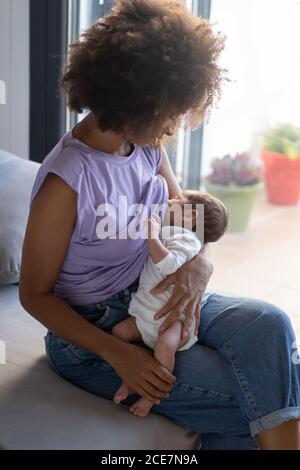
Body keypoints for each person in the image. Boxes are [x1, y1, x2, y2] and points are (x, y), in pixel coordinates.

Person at [19, 0, 300, 449]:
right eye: (170, 115)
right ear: (139, 104)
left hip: (157, 290)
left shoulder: (145, 147)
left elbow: (185, 217)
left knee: (269, 324)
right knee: (260, 400)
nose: (174, 128)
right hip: (96, 332)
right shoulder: (66, 182)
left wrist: (200, 265)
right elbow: (34, 295)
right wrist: (120, 354)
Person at [113, 191, 228, 418]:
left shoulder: (186, 239)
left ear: (191, 216)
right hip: (147, 314)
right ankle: (129, 380)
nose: (168, 201)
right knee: (119, 332)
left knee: (165, 346)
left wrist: (152, 236)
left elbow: (169, 265)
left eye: (177, 201)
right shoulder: (175, 231)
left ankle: (151, 396)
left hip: (171, 320)